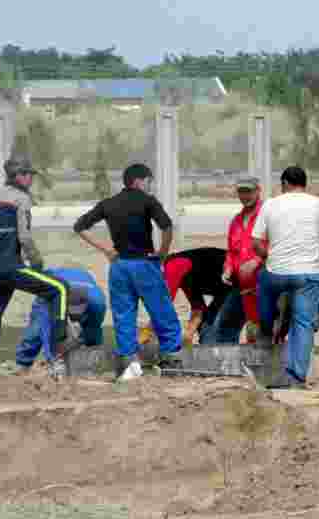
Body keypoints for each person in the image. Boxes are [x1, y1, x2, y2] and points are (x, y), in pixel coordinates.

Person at [0, 156, 77, 379]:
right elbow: (24, 237)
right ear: (19, 176)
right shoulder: (21, 199)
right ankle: (58, 351)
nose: (31, 179)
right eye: (29, 175)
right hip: (10, 267)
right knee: (60, 289)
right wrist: (37, 262)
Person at [73, 163, 182, 381]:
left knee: (123, 315)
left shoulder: (109, 203)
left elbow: (79, 227)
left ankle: (129, 365)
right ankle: (170, 360)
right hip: (144, 264)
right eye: (149, 181)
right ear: (139, 181)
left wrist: (106, 250)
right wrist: (162, 252)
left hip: (119, 266)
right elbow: (167, 227)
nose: (150, 186)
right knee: (161, 310)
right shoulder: (148, 201)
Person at [251, 166, 319, 389]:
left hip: (276, 272)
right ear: (305, 184)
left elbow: (256, 243)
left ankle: (266, 327)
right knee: (302, 323)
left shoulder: (270, 204)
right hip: (307, 273)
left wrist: (269, 256)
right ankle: (297, 377)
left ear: (284, 183)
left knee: (264, 287)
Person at [15, 266, 106, 372]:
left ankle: (87, 362)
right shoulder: (49, 301)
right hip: (51, 283)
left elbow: (94, 329)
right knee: (35, 329)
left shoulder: (97, 302)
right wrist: (53, 358)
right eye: (71, 312)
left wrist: (93, 354)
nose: (74, 316)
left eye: (78, 312)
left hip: (81, 278)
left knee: (90, 331)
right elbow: (46, 330)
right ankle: (23, 363)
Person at [271, 261, 319, 379]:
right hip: (296, 299)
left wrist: (318, 315)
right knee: (279, 329)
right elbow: (283, 309)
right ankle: (275, 367)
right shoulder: (290, 276)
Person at [215, 176, 267, 344]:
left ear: (258, 191)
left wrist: (258, 260)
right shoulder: (236, 221)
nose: (244, 196)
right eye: (241, 191)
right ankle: (230, 367)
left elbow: (279, 244)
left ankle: (263, 368)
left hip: (263, 285)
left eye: (249, 191)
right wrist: (228, 268)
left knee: (258, 331)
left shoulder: (268, 216)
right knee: (224, 326)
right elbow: (231, 252)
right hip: (241, 285)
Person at [160, 247, 234, 345]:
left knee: (213, 326)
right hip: (226, 289)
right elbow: (198, 309)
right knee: (207, 325)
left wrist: (148, 331)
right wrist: (188, 336)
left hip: (237, 278)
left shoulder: (173, 264)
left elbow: (164, 306)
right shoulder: (187, 278)